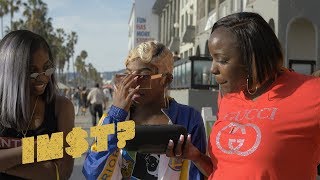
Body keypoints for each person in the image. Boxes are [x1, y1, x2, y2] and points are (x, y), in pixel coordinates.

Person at [166, 12, 320, 180]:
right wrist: (196, 156)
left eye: (222, 60)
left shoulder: (311, 93)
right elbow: (223, 170)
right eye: (212, 58)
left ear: (253, 59)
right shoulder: (228, 95)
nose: (213, 69)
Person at [82, 41, 207, 180]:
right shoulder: (112, 118)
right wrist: (115, 115)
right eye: (128, 75)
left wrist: (194, 156)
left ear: (166, 80)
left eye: (144, 76)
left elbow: (199, 174)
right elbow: (91, 172)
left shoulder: (188, 119)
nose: (134, 83)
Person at [0, 30, 75, 179]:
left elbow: (61, 173)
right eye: (32, 72)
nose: (42, 78)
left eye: (47, 68)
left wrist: (6, 161)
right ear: (11, 73)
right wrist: (36, 149)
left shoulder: (62, 107)